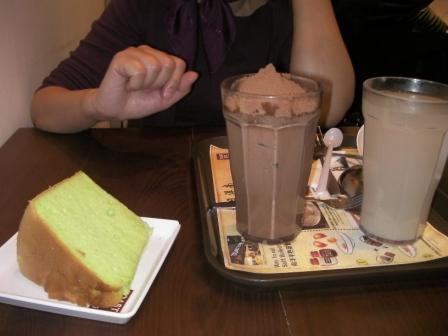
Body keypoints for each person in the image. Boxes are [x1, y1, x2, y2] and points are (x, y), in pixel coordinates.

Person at [31, 0, 355, 133]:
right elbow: (44, 108)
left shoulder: (285, 8)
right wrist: (98, 105)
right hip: (157, 189)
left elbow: (328, 108)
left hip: (261, 179)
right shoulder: (143, 6)